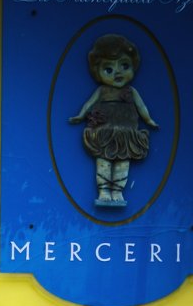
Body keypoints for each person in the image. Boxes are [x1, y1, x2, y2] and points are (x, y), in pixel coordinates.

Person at [68, 33, 159, 208]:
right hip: (105, 133)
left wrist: (149, 120)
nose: (117, 72)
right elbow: (89, 103)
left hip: (126, 134)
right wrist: (80, 116)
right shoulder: (102, 91)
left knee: (123, 163)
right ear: (97, 72)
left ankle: (117, 191)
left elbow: (142, 108)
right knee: (103, 161)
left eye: (124, 66)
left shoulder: (131, 92)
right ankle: (103, 191)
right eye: (108, 69)